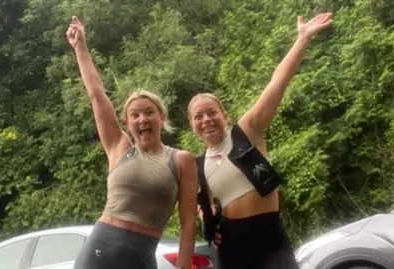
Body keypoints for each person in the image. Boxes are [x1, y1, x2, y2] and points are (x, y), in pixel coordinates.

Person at [188, 12, 333, 269]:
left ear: (224, 115)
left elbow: (277, 83)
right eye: (198, 116)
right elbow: (199, 203)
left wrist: (302, 39)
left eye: (212, 112)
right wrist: (208, 221)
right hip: (232, 247)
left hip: (271, 240)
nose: (206, 119)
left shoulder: (247, 131)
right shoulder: (197, 164)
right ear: (192, 125)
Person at [66, 15, 199, 269]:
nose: (142, 119)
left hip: (140, 256)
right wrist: (80, 47)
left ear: (161, 117)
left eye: (149, 112)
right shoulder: (119, 148)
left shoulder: (181, 160)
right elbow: (96, 94)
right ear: (127, 123)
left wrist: (184, 267)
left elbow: (188, 222)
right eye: (134, 115)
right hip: (98, 251)